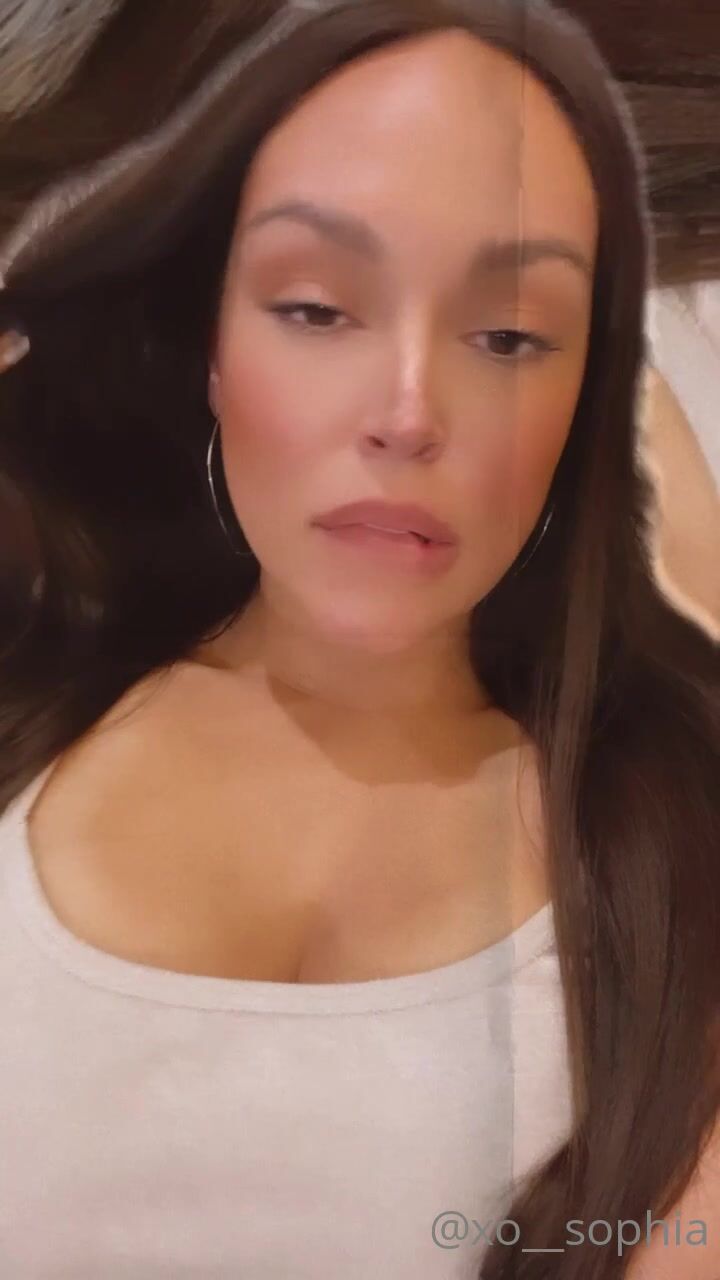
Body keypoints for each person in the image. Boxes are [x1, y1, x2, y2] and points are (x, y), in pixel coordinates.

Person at [0, 1, 717, 1277]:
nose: (408, 412)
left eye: (509, 336)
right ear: (207, 346)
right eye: (318, 308)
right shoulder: (32, 699)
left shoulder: (670, 859)